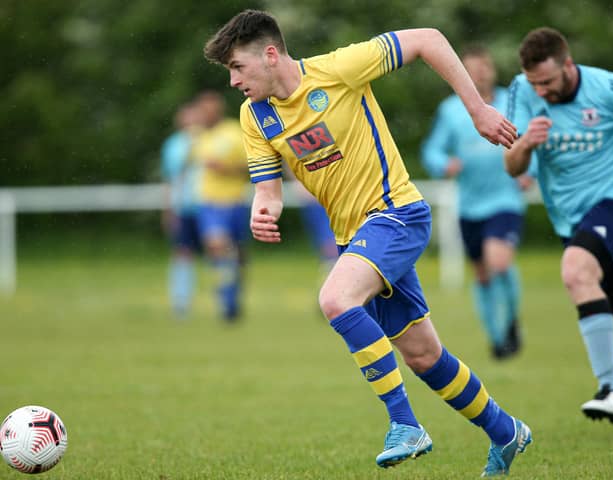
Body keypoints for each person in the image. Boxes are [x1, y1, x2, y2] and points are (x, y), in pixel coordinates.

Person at [204, 10, 531, 476]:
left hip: (396, 213)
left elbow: (428, 38)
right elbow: (268, 190)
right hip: (354, 239)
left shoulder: (339, 69)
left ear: (271, 54)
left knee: (335, 300)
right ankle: (506, 432)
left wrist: (477, 108)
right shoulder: (255, 115)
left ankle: (405, 424)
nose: (234, 80)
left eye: (237, 67)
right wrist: (264, 211)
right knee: (422, 356)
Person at [504, 27, 613, 423]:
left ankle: (610, 390)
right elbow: (512, 166)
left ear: (568, 65)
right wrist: (525, 143)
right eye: (535, 84)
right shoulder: (521, 90)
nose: (541, 91)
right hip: (572, 220)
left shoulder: (610, 88)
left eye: (547, 82)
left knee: (576, 271)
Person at [421, 45, 531, 360]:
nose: (479, 73)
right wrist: (444, 164)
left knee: (499, 262)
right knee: (482, 273)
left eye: (484, 66)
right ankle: (497, 338)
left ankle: (511, 322)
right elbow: (432, 150)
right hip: (469, 204)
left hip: (506, 198)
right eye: (471, 68)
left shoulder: (514, 104)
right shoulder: (451, 110)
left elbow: (531, 141)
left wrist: (529, 171)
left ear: (492, 69)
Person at [190, 90, 251, 322]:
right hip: (210, 204)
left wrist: (225, 169)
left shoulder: (233, 132)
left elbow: (251, 167)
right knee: (217, 246)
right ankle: (225, 299)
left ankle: (234, 298)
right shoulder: (197, 137)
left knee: (237, 254)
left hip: (235, 201)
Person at [160, 101, 203, 317]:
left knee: (223, 250)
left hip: (210, 204)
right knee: (182, 253)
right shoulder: (173, 145)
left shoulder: (211, 140)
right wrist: (168, 209)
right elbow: (169, 179)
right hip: (184, 207)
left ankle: (226, 302)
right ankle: (181, 302)